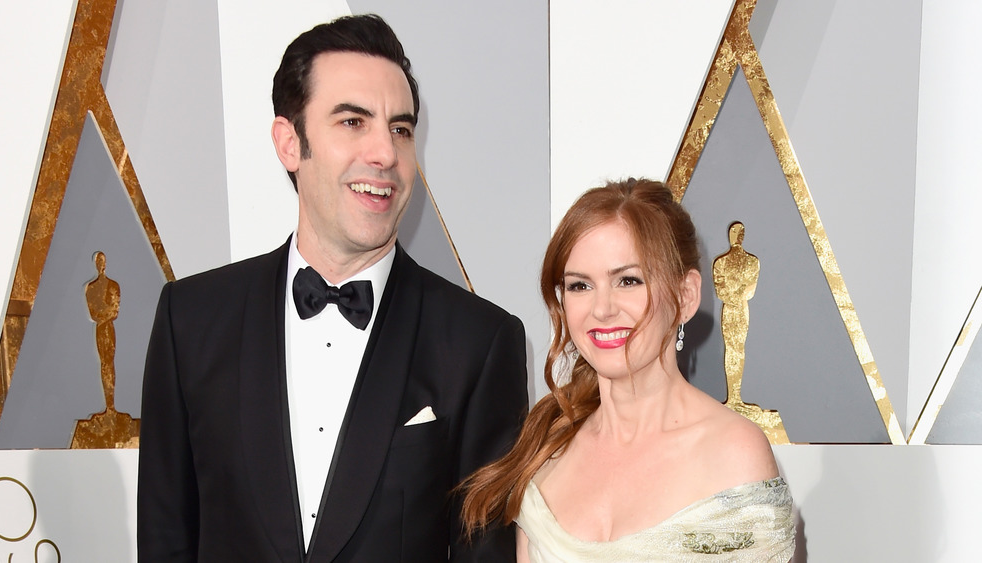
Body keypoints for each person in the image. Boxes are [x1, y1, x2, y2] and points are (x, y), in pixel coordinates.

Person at [137, 14, 528, 562]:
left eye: (401, 129)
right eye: (352, 122)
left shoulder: (480, 341)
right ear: (289, 142)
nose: (386, 154)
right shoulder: (191, 320)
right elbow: (164, 540)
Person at [460, 179, 794, 562]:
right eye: (580, 286)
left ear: (686, 295)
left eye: (628, 281)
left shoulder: (734, 454)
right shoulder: (546, 451)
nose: (602, 309)